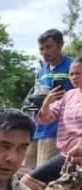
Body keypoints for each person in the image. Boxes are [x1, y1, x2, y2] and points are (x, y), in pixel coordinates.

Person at [21, 56, 82, 190]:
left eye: (79, 73)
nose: (74, 77)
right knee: (26, 183)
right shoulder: (69, 96)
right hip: (67, 155)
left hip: (79, 154)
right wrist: (46, 103)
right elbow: (47, 118)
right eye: (72, 74)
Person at [25, 29, 75, 170]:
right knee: (27, 173)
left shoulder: (73, 67)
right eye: (41, 49)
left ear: (60, 45)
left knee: (46, 177)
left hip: (57, 130)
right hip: (37, 128)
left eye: (48, 47)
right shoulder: (41, 72)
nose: (44, 52)